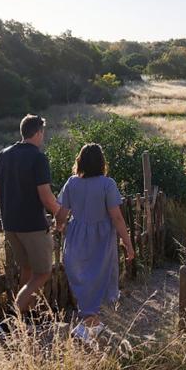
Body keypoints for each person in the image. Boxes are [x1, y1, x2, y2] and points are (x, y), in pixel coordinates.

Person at [56, 143, 134, 342]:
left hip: (75, 238)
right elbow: (116, 217)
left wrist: (61, 227)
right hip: (100, 240)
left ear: (80, 161)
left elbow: (62, 214)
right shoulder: (107, 184)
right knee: (99, 278)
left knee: (83, 279)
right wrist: (128, 243)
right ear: (101, 163)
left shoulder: (72, 183)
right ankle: (86, 328)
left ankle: (90, 325)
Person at [0, 114, 66, 318]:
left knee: (26, 268)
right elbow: (46, 196)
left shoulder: (3, 154)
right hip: (32, 225)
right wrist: (60, 211)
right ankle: (14, 314)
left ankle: (27, 317)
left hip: (10, 224)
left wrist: (6, 211)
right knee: (43, 272)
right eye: (43, 132)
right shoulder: (38, 158)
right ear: (38, 132)